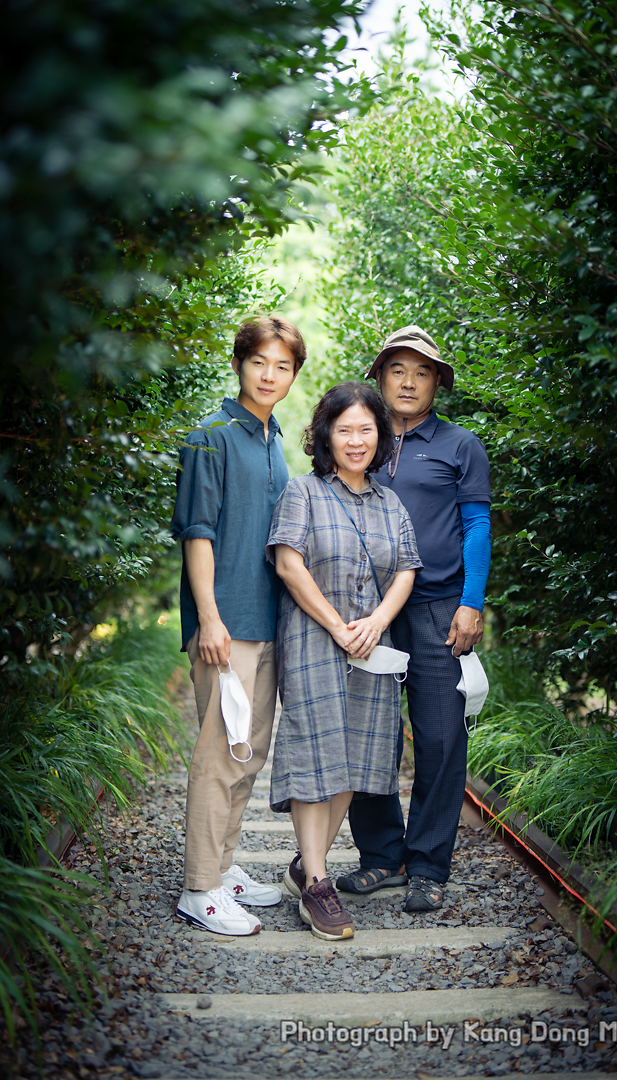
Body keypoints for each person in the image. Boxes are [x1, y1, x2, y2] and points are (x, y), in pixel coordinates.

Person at [336, 325, 491, 913]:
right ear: (380, 377)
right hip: (367, 610)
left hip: (437, 609)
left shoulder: (459, 446)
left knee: (442, 735)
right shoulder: (361, 439)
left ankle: (428, 864)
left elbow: (476, 527)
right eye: (398, 369)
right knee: (365, 736)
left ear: (436, 383)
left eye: (422, 372)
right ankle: (381, 857)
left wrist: (471, 602)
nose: (408, 381)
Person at [266, 382, 422, 941]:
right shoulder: (303, 492)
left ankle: (307, 865)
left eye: (366, 429)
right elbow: (288, 564)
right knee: (316, 751)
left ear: (379, 436)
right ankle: (316, 886)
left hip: (371, 648)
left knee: (354, 760)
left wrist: (377, 621)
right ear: (325, 435)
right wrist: (337, 626)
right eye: (344, 429)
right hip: (313, 640)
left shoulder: (389, 502)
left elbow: (407, 567)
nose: (356, 440)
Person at [170, 315, 305, 936]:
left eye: (283, 365)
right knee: (219, 756)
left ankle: (223, 869)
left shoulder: (272, 439)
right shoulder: (211, 436)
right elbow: (197, 535)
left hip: (267, 621)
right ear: (240, 363)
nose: (270, 374)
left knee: (247, 757)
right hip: (226, 624)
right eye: (260, 362)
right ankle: (200, 887)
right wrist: (210, 619)